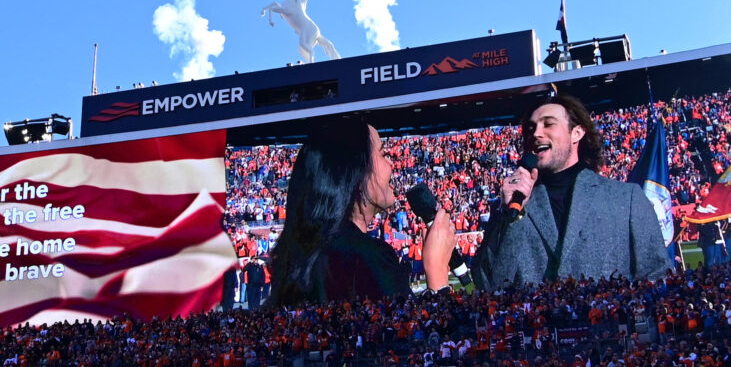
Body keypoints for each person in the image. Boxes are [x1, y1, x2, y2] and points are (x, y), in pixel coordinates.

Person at [474, 95, 670, 291]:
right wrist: (510, 218)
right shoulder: (511, 204)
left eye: (548, 124)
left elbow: (656, 275)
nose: (536, 133)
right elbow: (488, 285)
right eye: (531, 128)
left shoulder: (626, 198)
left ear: (576, 133)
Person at [265, 119, 455, 305]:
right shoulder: (367, 257)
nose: (391, 163)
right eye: (382, 153)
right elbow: (405, 333)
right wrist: (437, 275)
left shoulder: (299, 255)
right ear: (358, 170)